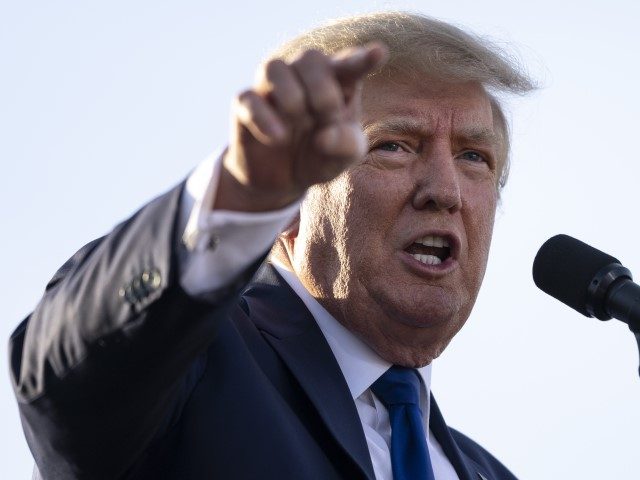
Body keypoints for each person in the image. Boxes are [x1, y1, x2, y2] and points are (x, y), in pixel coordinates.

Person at [9, 11, 534, 480]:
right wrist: (242, 192)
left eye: (474, 157)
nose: (444, 191)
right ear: (292, 200)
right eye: (393, 146)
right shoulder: (194, 360)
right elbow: (66, 382)